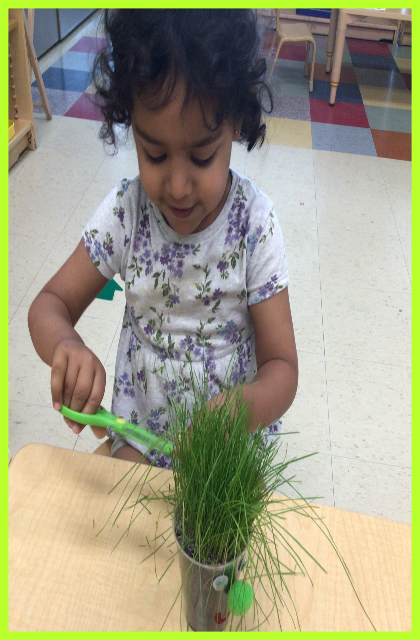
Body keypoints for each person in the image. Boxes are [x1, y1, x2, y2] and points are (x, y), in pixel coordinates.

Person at [28, 9, 298, 467]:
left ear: (235, 121)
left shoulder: (253, 225)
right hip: (139, 434)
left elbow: (283, 369)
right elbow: (49, 304)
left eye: (201, 157)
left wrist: (238, 412)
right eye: (153, 153)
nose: (176, 186)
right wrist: (66, 348)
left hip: (225, 451)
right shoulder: (125, 215)